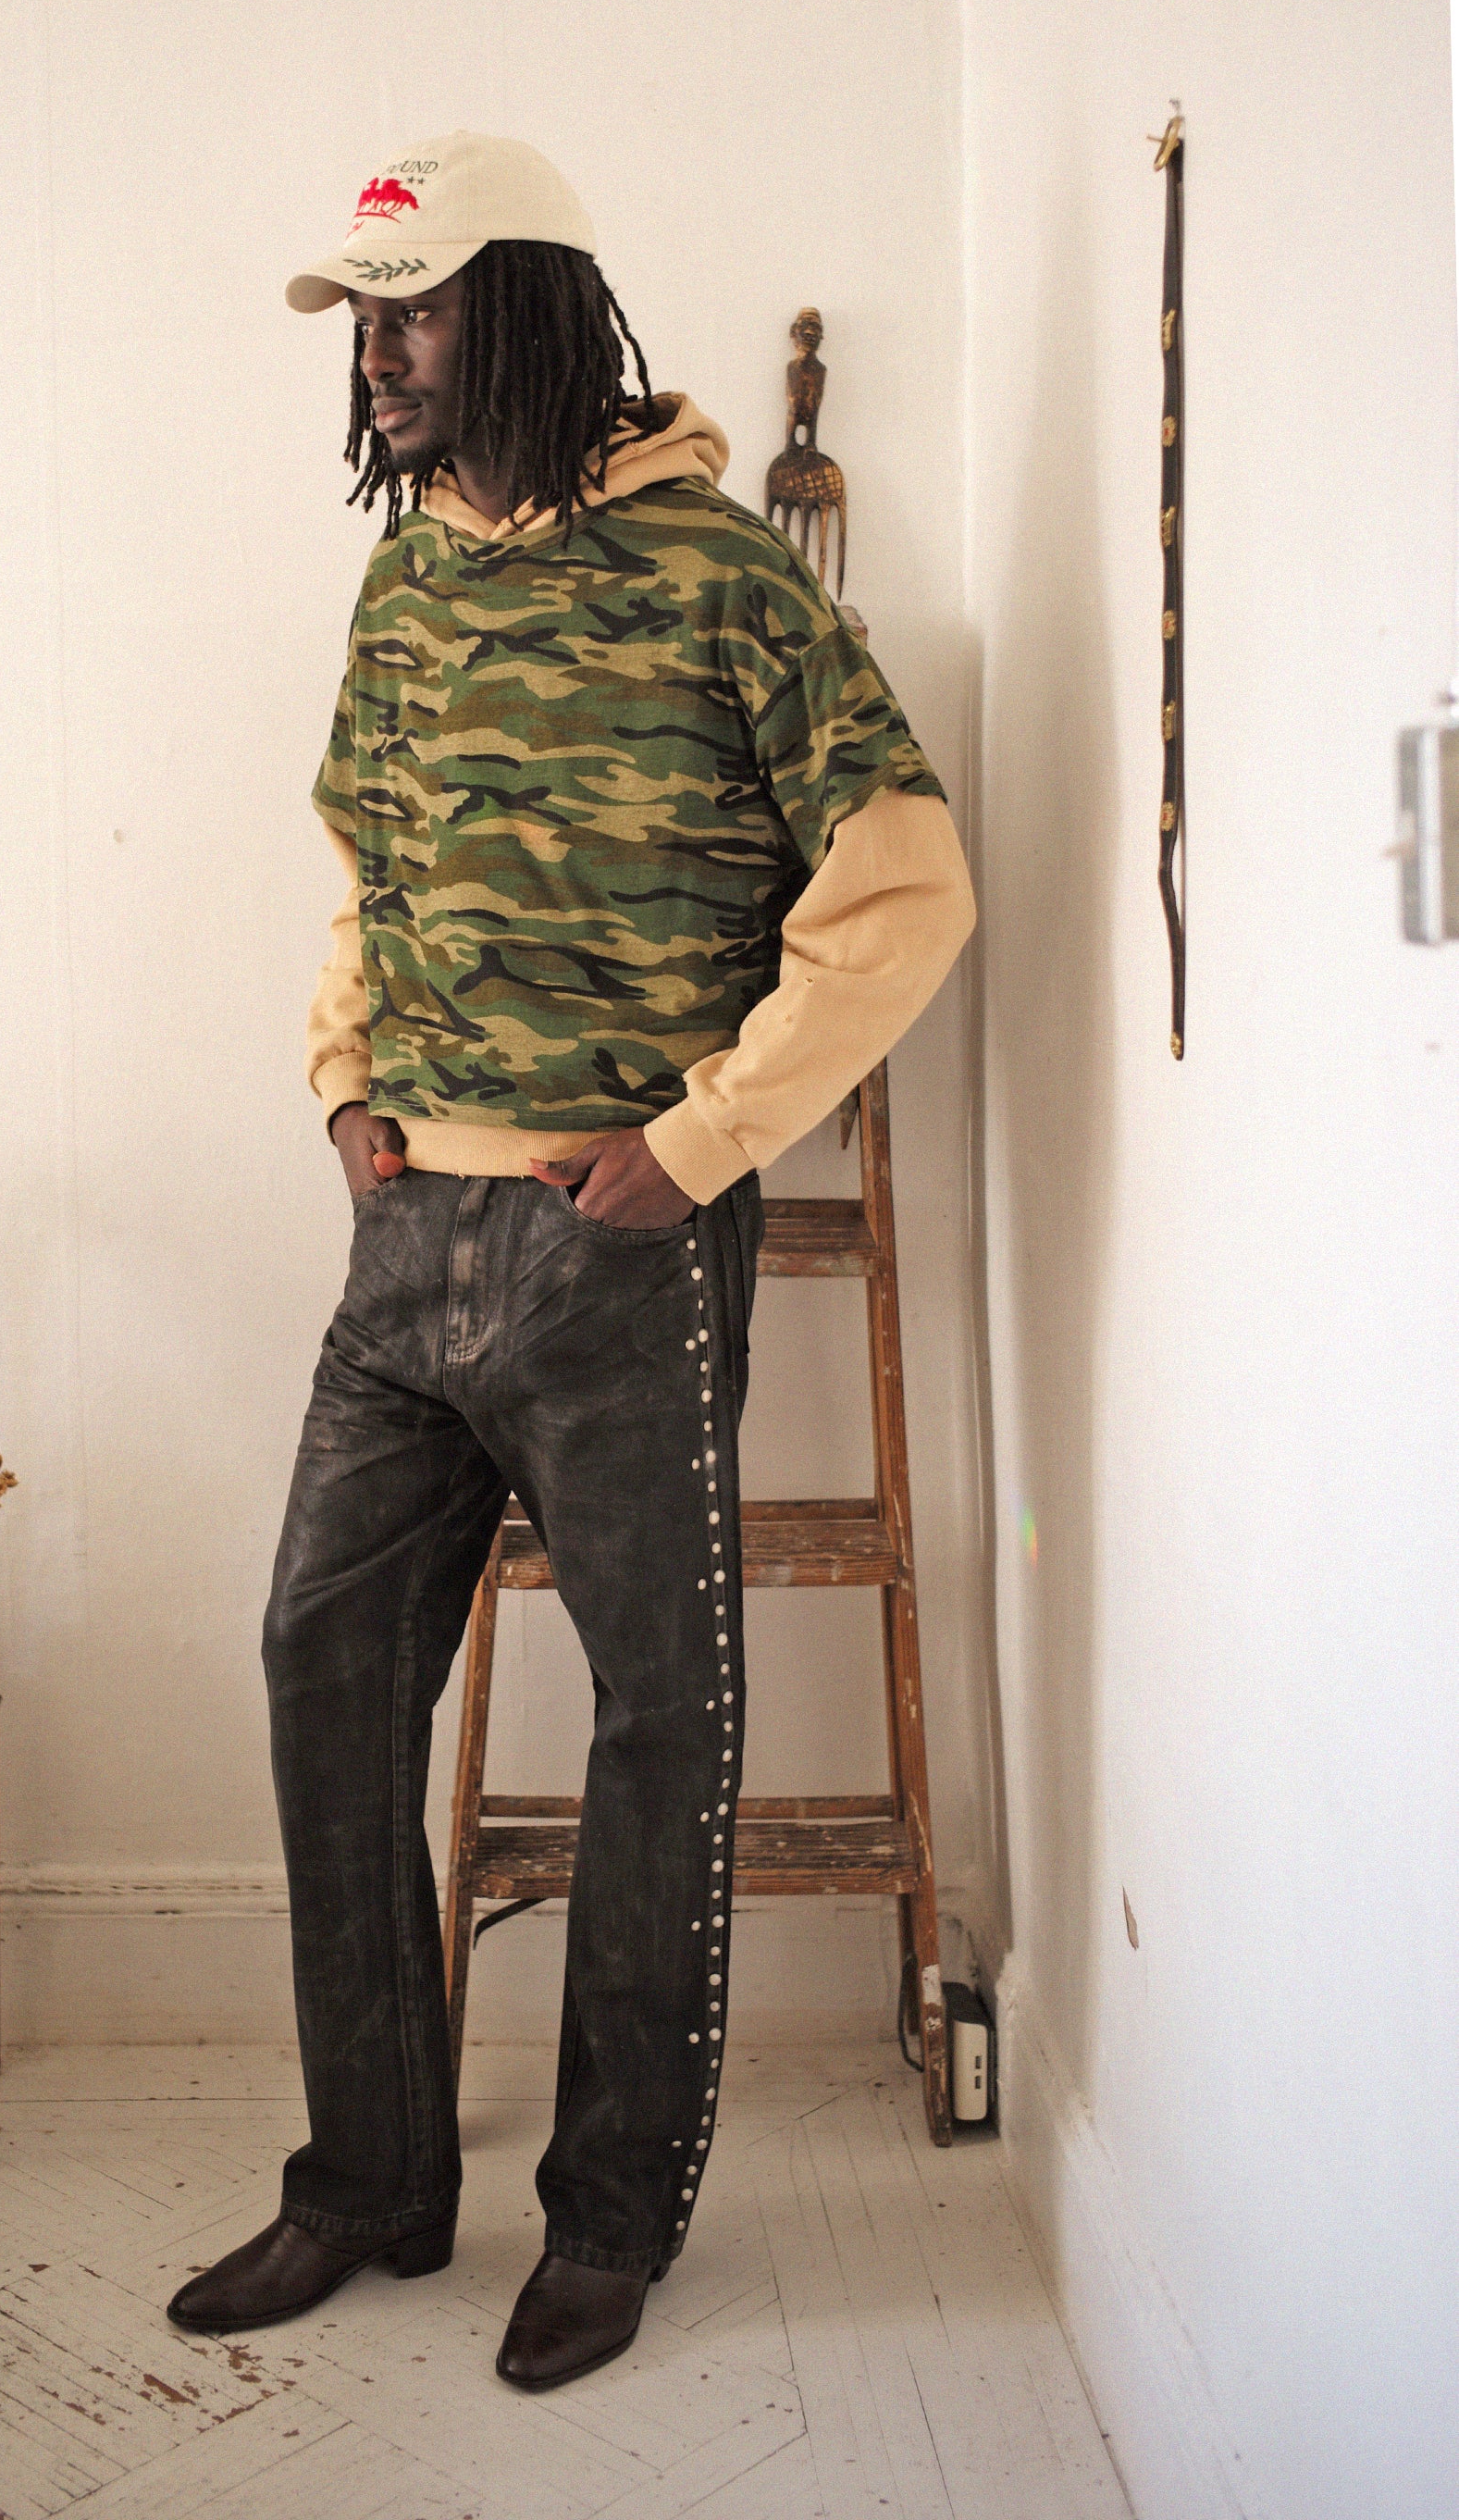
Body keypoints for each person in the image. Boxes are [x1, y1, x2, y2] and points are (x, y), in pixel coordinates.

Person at [167, 131, 975, 2390]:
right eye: (360, 319)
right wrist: (346, 1092)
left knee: (659, 1724)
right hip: (405, 1234)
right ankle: (370, 2185)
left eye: (412, 311)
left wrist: (701, 1140)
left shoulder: (724, 575)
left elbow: (909, 886)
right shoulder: (404, 585)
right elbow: (359, 860)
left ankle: (609, 2216)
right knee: (325, 1675)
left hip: (621, 1257)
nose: (381, 356)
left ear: (524, 307)